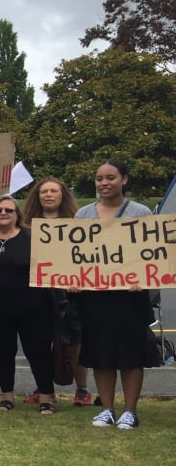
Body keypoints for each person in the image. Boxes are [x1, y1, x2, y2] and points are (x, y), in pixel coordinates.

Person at [74, 160, 155, 429]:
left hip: (130, 295)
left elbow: (151, 252)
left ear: (124, 180)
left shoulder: (141, 212)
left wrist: (142, 279)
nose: (104, 183)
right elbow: (72, 257)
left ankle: (130, 411)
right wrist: (72, 279)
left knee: (131, 354)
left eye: (110, 177)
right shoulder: (83, 215)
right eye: (99, 179)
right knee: (100, 352)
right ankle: (107, 408)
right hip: (94, 295)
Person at [0, 195, 57, 414]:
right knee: (2, 353)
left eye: (9, 210)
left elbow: (53, 265)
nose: (3, 213)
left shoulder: (33, 238)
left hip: (34, 307)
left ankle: (46, 396)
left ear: (18, 215)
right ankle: (7, 396)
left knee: (38, 352)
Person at [21, 177, 93, 407]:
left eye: (54, 191)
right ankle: (45, 388)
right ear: (37, 196)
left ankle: (82, 389)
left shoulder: (76, 222)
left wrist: (76, 279)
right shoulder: (26, 225)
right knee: (40, 342)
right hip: (37, 291)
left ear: (63, 195)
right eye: (44, 191)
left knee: (74, 341)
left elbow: (86, 256)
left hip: (69, 292)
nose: (49, 195)